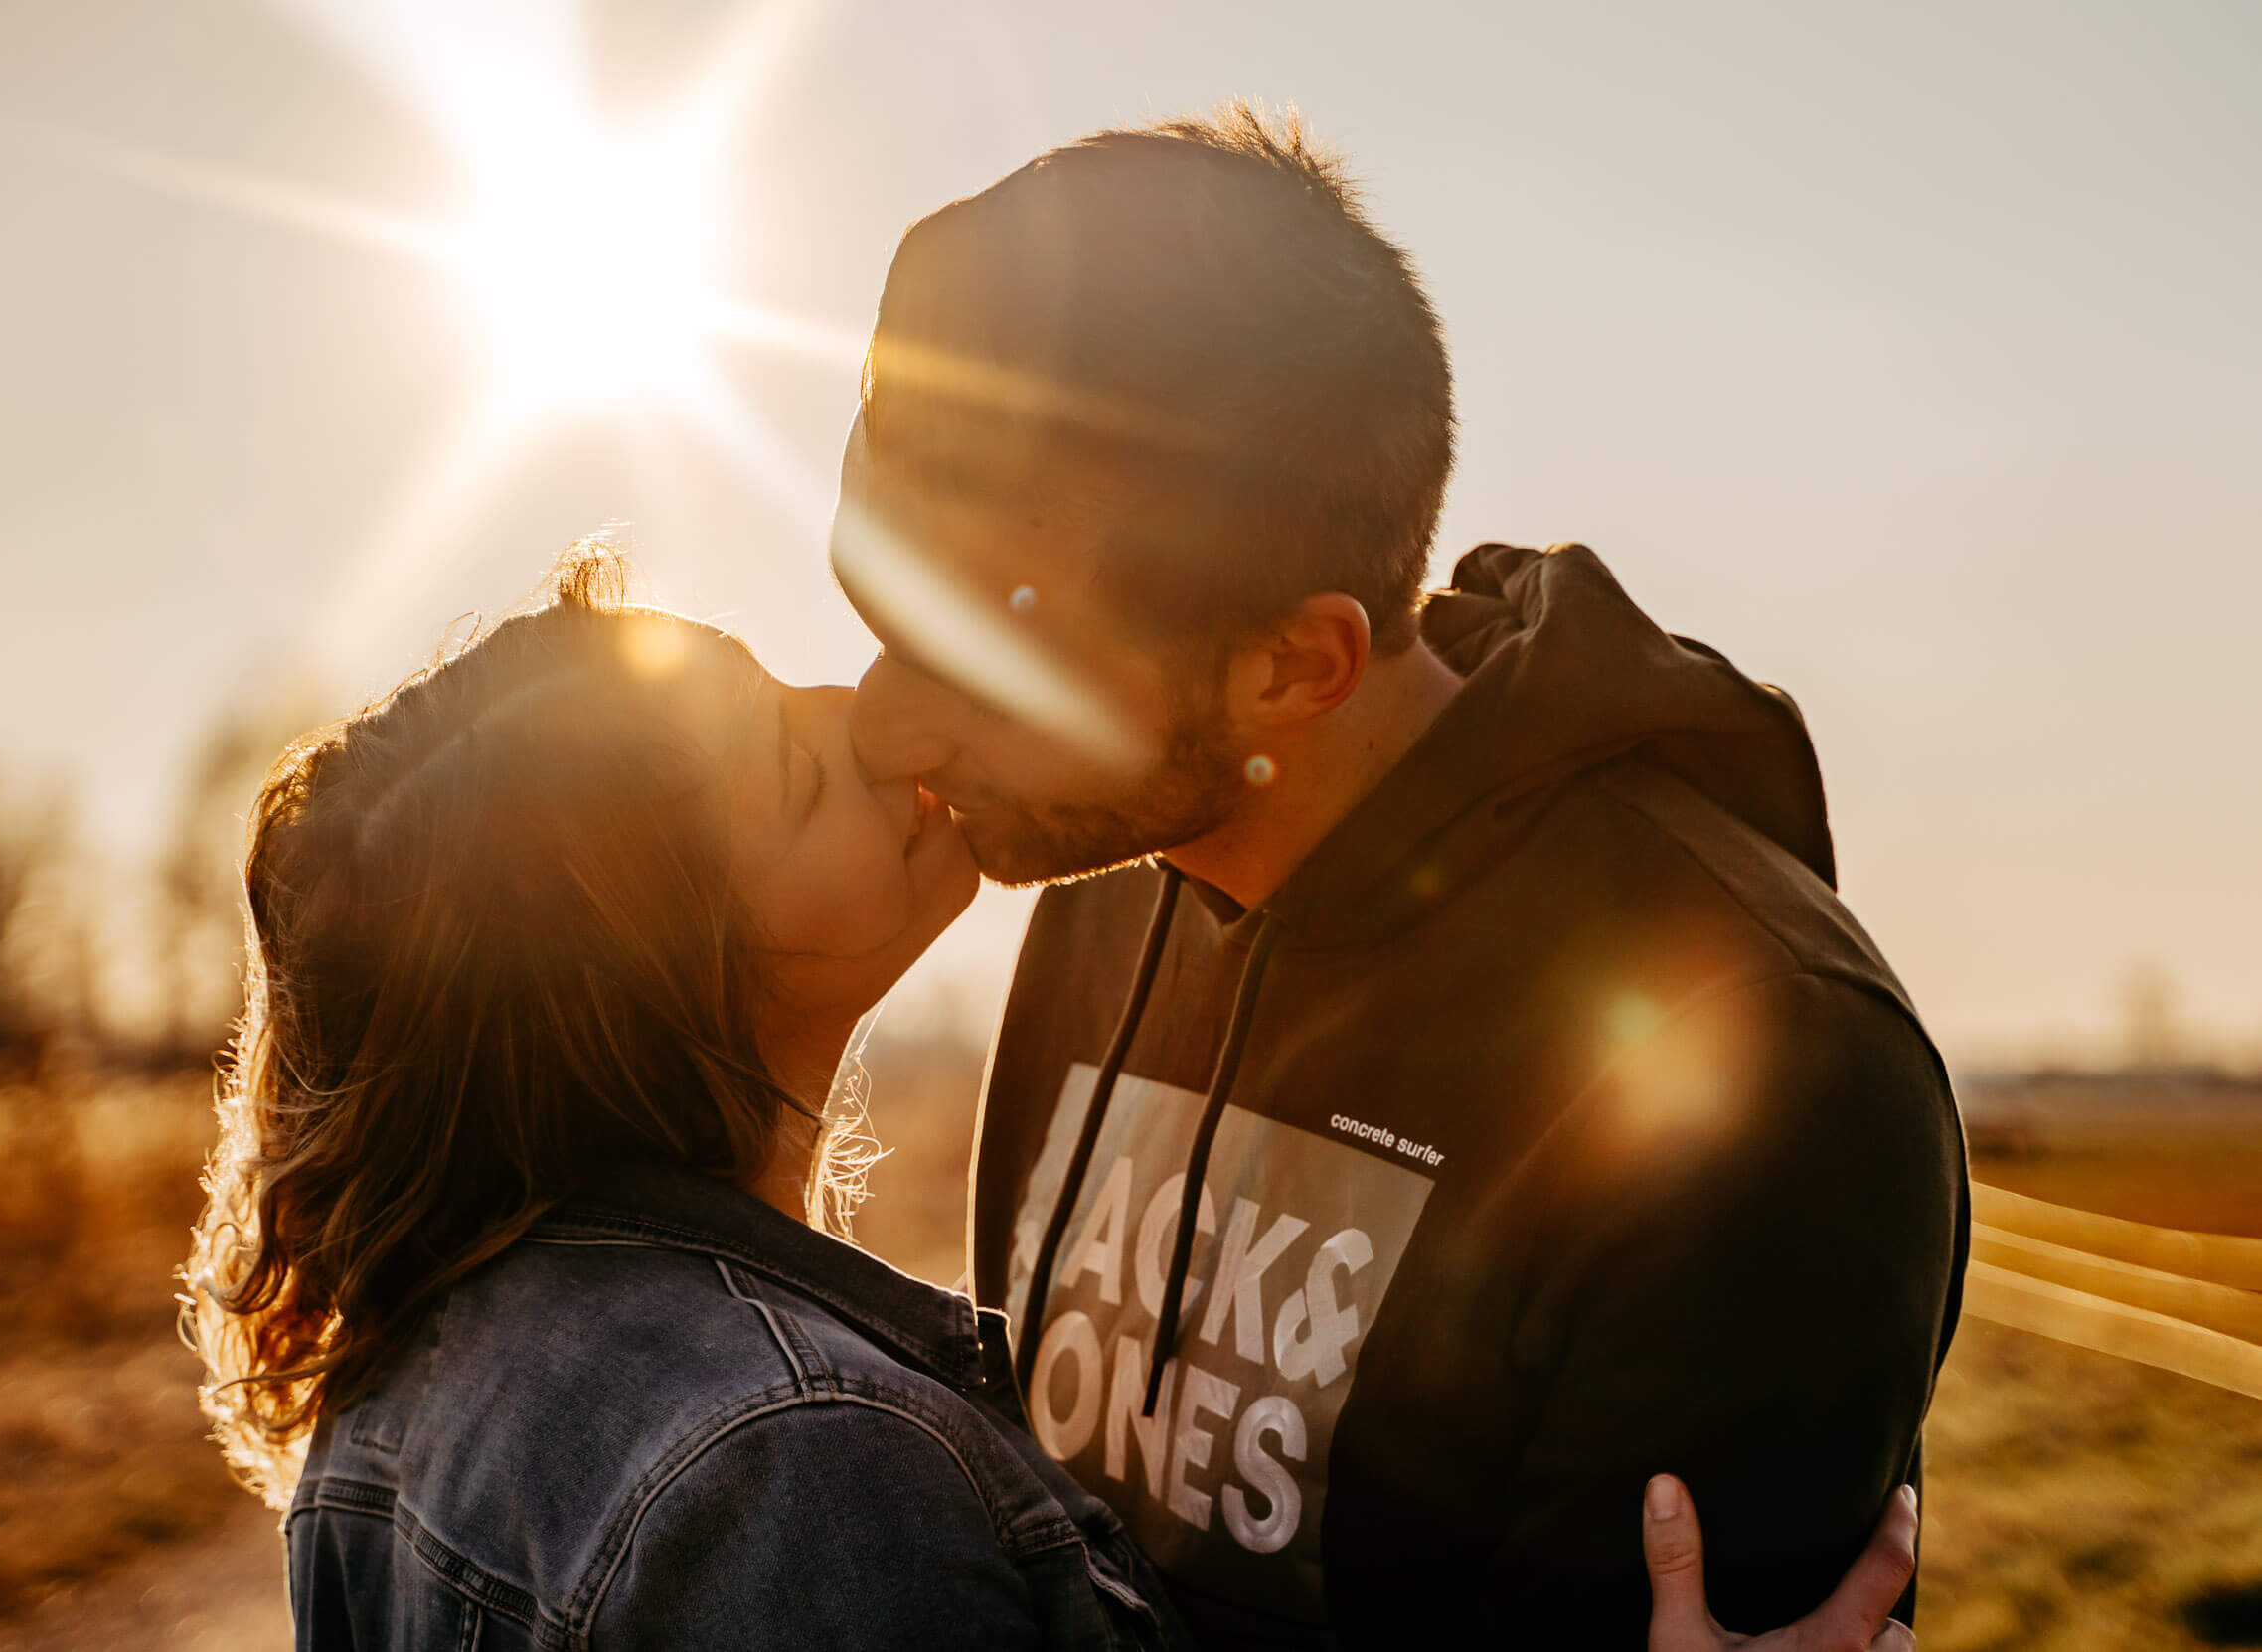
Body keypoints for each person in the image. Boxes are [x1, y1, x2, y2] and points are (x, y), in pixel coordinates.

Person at [187, 550, 1917, 1650]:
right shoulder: (805, 1485)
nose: (867, 713)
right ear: (651, 992)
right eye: (796, 773)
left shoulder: (400, 1397)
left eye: (775, 676)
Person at [835, 107, 1967, 1647]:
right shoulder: (1116, 863)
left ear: (1297, 667)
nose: (883, 719)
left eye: (983, 664)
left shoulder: (1770, 1077)